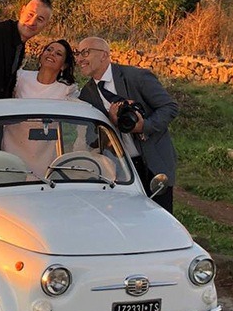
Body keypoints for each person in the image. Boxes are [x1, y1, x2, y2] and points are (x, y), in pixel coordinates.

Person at [76, 36, 180, 213]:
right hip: (121, 171)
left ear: (104, 55)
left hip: (153, 163)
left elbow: (169, 107)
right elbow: (91, 138)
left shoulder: (137, 77)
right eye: (77, 54)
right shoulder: (87, 94)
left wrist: (143, 126)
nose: (79, 59)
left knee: (159, 219)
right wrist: (111, 122)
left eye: (85, 52)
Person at [3, 39, 79, 174]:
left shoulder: (67, 90)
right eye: (49, 50)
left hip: (44, 156)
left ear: (64, 65)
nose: (51, 54)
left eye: (58, 54)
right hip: (12, 149)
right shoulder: (21, 77)